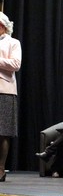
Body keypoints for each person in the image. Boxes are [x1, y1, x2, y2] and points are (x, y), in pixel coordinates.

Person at [0, 12, 22, 182]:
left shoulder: (13, 43)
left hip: (5, 90)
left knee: (3, 132)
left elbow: (15, 64)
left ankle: (1, 169)